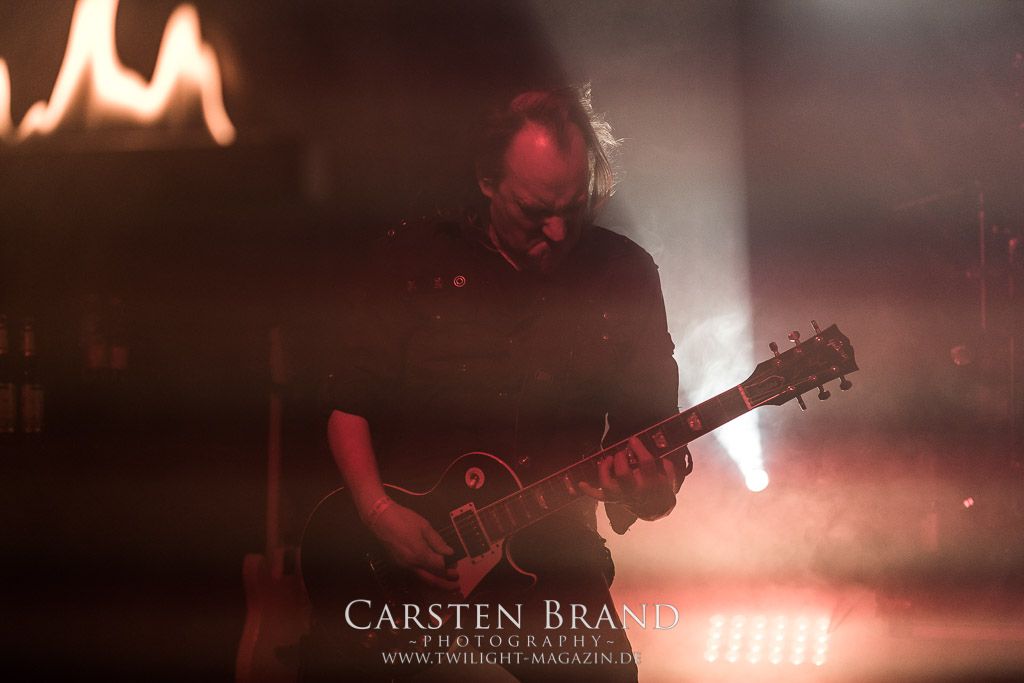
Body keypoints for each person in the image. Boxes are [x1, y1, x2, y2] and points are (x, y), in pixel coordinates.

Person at [308, 86, 690, 683]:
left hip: (554, 562)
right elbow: (347, 403)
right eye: (536, 211)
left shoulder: (625, 275)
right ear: (488, 182)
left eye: (575, 206)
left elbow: (652, 435)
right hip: (409, 562)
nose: (558, 232)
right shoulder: (413, 259)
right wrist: (379, 513)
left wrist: (648, 492)